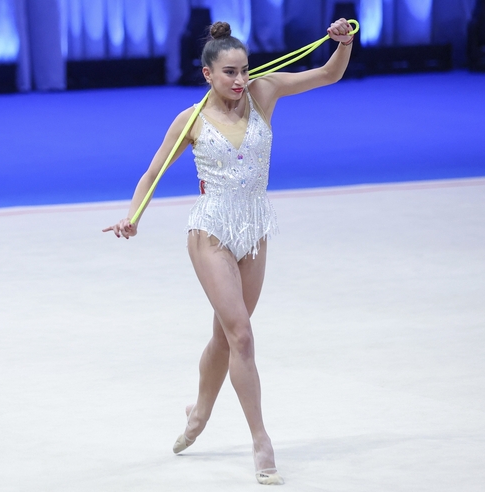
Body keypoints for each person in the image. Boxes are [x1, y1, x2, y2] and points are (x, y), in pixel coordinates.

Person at [103, 19, 354, 485]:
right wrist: (132, 216)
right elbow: (151, 173)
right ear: (208, 75)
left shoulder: (264, 93)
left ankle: (198, 412)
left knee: (224, 337)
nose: (240, 81)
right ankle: (261, 440)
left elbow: (328, 74)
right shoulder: (191, 120)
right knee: (242, 335)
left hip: (255, 229)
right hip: (212, 231)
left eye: (244, 70)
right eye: (229, 73)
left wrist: (344, 43)